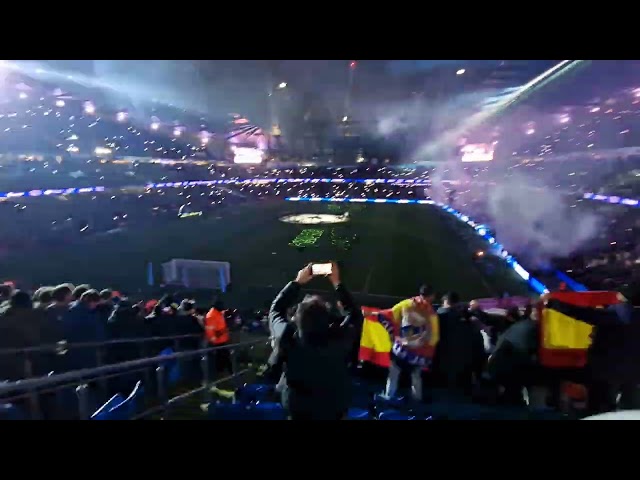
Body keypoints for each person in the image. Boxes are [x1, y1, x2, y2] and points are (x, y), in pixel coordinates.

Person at [268, 262, 364, 420]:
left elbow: (276, 310)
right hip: (334, 411)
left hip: (298, 411)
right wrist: (337, 283)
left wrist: (297, 282)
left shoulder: (288, 336)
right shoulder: (341, 338)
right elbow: (355, 315)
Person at [544, 292, 640, 414]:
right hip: (632, 374)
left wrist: (555, 303)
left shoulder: (614, 316)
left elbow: (584, 314)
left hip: (606, 372)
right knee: (631, 408)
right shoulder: (633, 316)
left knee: (601, 408)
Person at [432, 292, 486, 400]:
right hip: (462, 362)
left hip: (441, 359)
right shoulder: (467, 320)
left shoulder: (438, 316)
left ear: (445, 301)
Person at [383, 303, 435, 401]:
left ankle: (389, 396)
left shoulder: (406, 322)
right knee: (415, 378)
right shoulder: (426, 325)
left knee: (394, 375)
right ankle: (416, 398)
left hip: (403, 354)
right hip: (415, 357)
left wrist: (403, 343)